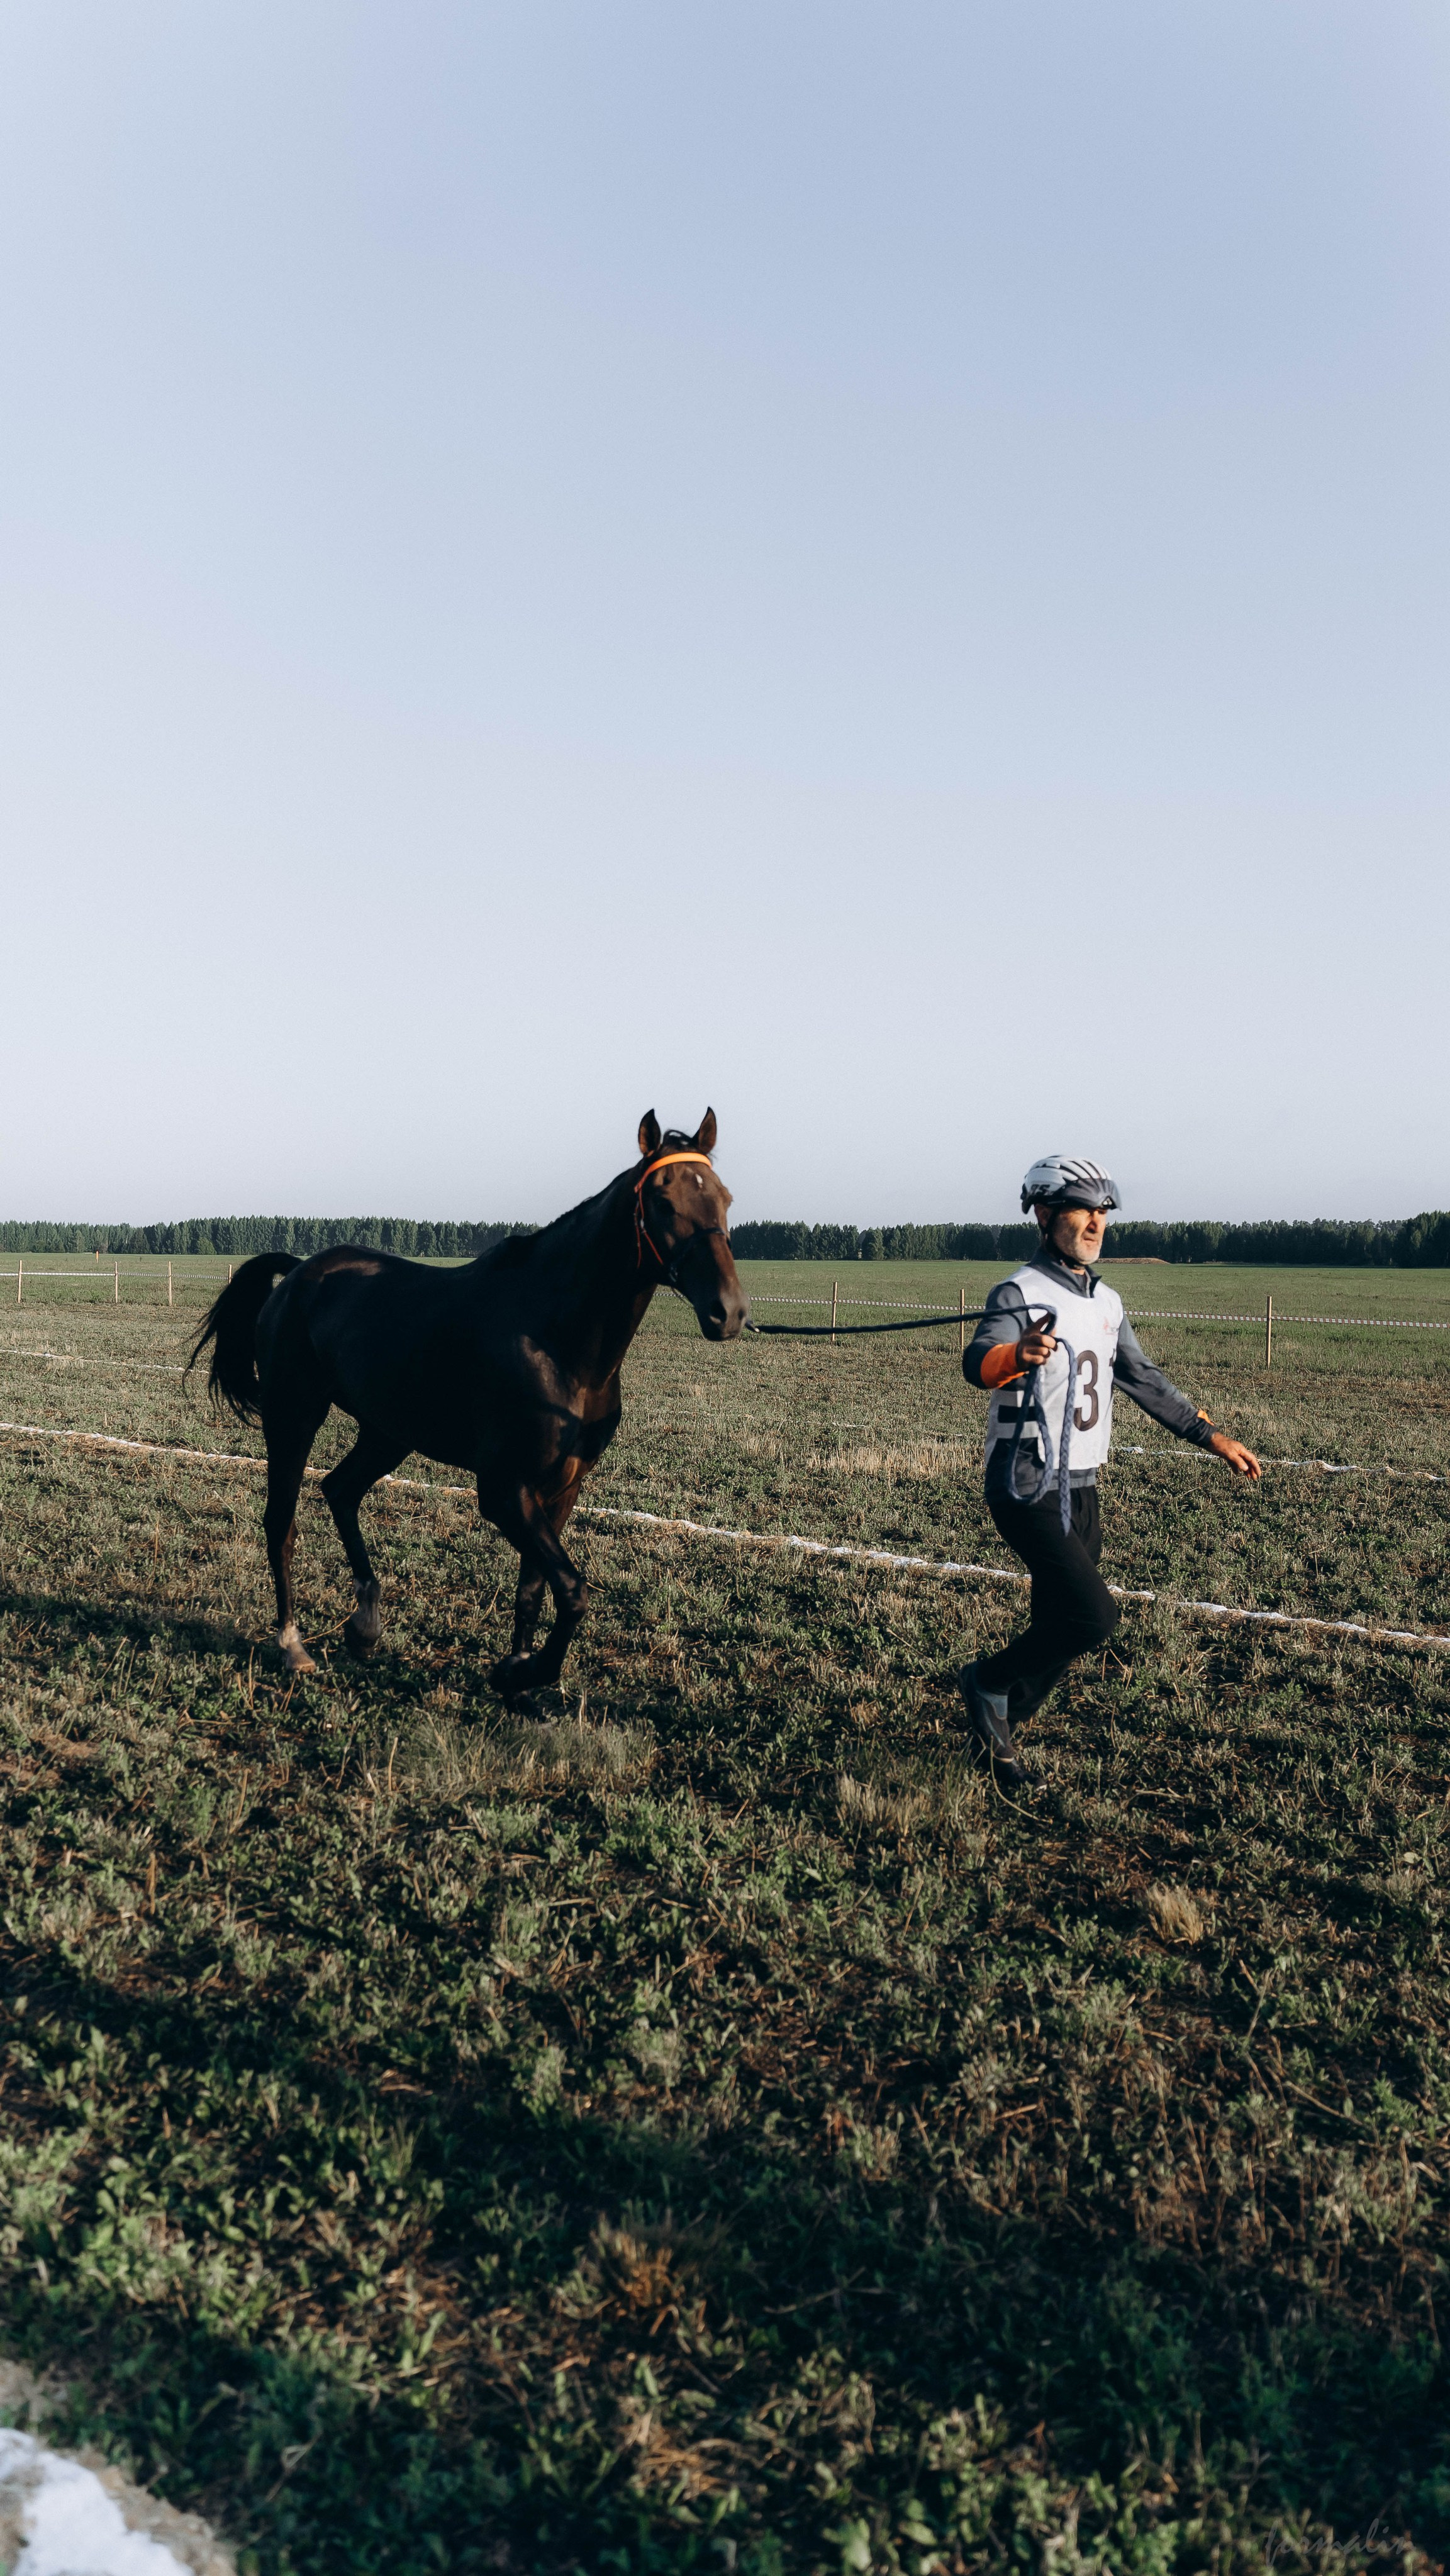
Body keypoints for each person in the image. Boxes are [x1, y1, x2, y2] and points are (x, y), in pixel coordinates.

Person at [959, 1155, 1261, 1785]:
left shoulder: (1107, 1301)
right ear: (1045, 1215)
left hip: (1083, 1485)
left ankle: (996, 1730)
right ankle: (987, 1684)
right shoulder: (1019, 1293)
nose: (1097, 1223)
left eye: (1103, 1211)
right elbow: (978, 1360)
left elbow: (1143, 1380)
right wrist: (1016, 1353)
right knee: (1091, 1616)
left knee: (1059, 1621)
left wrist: (1210, 1436)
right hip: (1024, 1479)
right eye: (1083, 1210)